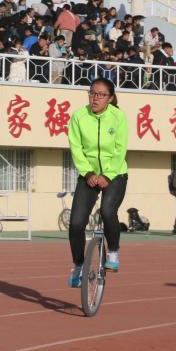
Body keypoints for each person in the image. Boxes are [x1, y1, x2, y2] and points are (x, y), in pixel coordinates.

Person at [66, 78, 129, 287]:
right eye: (92, 93)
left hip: (115, 174)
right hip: (89, 174)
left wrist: (108, 175)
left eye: (101, 95)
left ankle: (113, 252)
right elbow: (76, 149)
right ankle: (78, 266)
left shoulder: (118, 117)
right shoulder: (79, 117)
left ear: (110, 98)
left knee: (107, 211)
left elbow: (120, 150)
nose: (95, 98)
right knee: (76, 224)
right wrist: (88, 173)